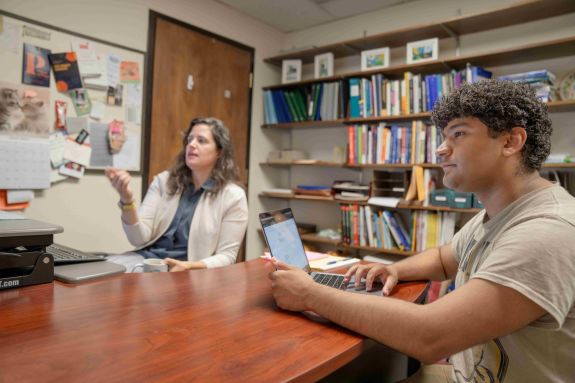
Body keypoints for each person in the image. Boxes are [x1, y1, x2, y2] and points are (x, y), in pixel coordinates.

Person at [266, 80, 575, 382]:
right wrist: (393, 270)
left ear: (511, 142)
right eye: (443, 137)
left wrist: (309, 294)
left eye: (458, 134)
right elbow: (444, 258)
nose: (441, 149)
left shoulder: (546, 233)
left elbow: (430, 336)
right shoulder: (499, 213)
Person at [105, 117, 248, 272]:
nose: (192, 145)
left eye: (201, 141)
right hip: (147, 261)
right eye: (190, 139)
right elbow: (137, 238)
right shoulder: (164, 181)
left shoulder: (233, 196)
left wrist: (189, 266)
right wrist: (127, 200)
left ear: (219, 151)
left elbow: (227, 256)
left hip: (189, 271)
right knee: (97, 272)